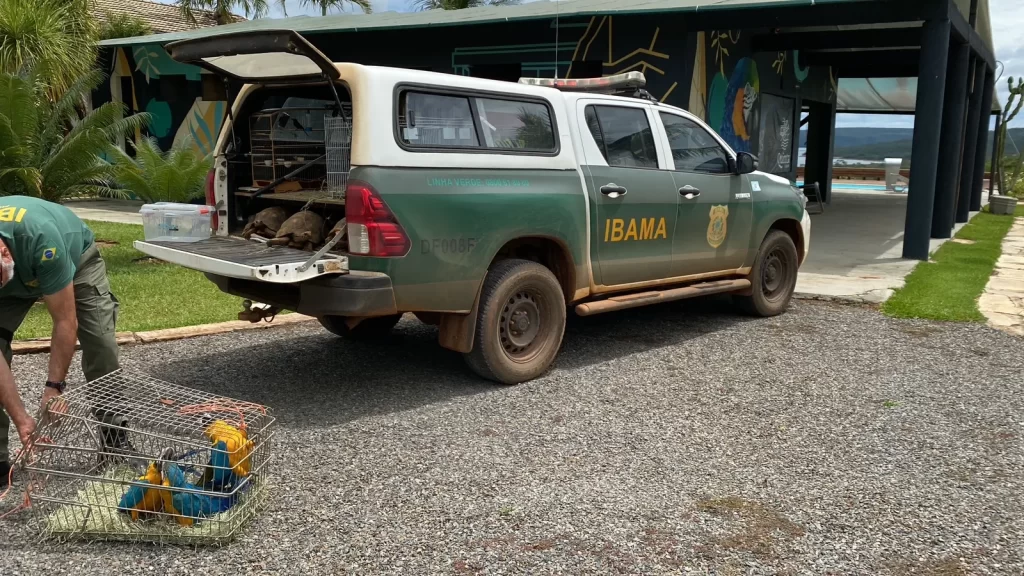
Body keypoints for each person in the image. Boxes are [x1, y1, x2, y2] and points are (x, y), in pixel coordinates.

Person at [0, 196, 129, 488]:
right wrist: (23, 420)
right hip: (18, 273)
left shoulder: (42, 240)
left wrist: (54, 388)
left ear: (5, 253)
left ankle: (115, 443)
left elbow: (65, 321)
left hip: (74, 259)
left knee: (100, 343)